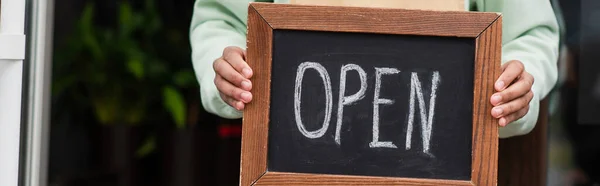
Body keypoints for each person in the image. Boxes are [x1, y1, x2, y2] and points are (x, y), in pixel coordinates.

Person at [190, 0, 559, 138]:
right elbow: (222, 19)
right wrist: (225, 68)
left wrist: (517, 79)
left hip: (439, 169)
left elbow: (528, 32)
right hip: (296, 169)